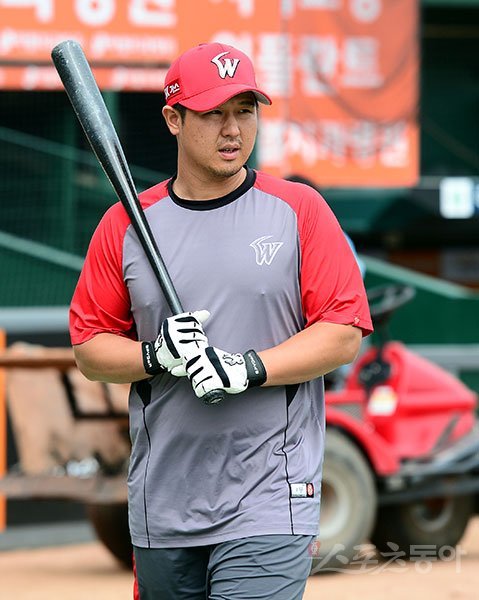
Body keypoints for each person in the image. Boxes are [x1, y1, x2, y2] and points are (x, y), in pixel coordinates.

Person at [69, 42, 373, 600]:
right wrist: (153, 354)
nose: (233, 129)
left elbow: (342, 332)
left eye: (245, 110)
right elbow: (90, 348)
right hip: (162, 502)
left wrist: (248, 368)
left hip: (269, 497)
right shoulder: (125, 225)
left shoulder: (299, 210)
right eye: (213, 113)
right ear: (173, 119)